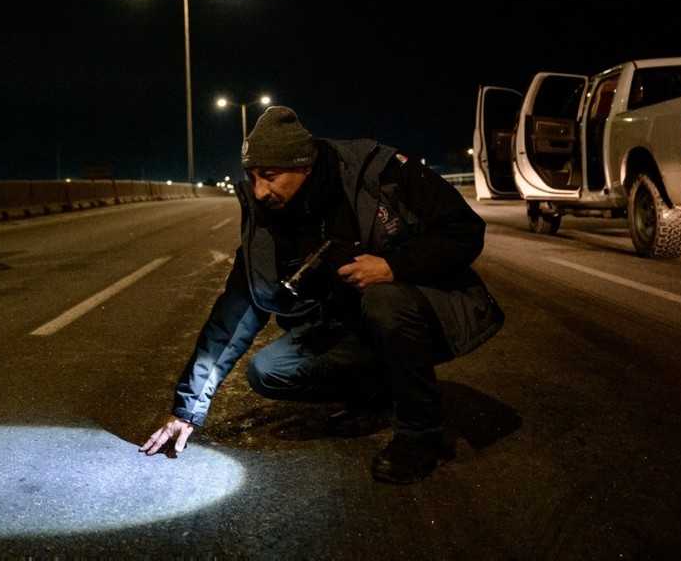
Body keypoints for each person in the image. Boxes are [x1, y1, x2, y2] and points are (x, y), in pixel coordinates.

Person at [139, 106, 504, 484]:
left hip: (424, 313)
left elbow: (465, 231)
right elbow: (235, 313)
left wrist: (393, 268)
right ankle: (376, 391)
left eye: (269, 176)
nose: (260, 191)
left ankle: (420, 435)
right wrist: (187, 410)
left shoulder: (380, 171)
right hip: (349, 327)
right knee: (268, 371)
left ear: (305, 166)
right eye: (251, 177)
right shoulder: (268, 222)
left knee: (385, 300)